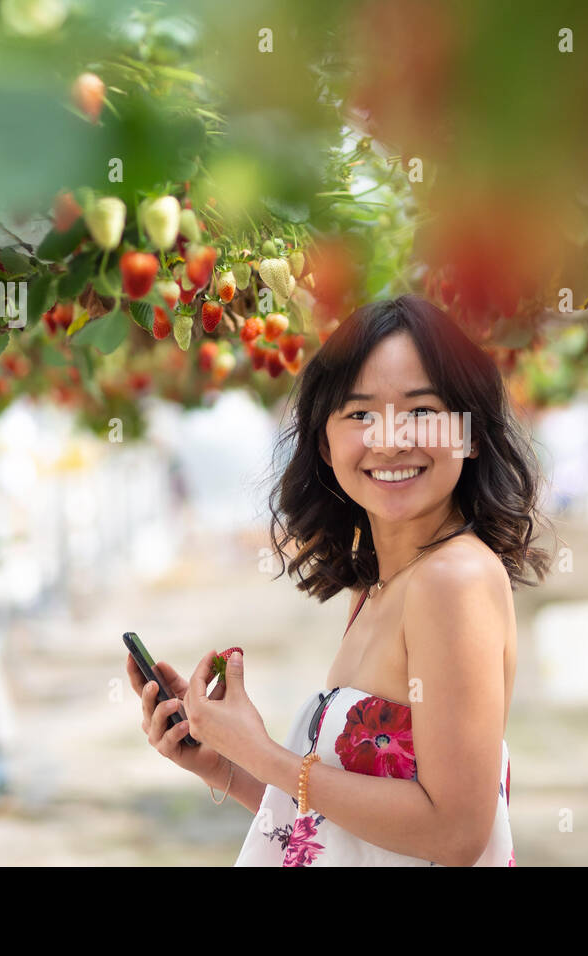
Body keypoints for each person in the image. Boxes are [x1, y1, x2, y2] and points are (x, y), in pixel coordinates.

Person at [128, 294, 554, 866]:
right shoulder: (378, 585)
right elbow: (343, 830)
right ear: (326, 443)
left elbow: (455, 832)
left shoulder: (454, 579)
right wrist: (222, 763)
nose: (389, 438)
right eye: (359, 413)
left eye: (422, 411)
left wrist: (261, 753)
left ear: (469, 435)